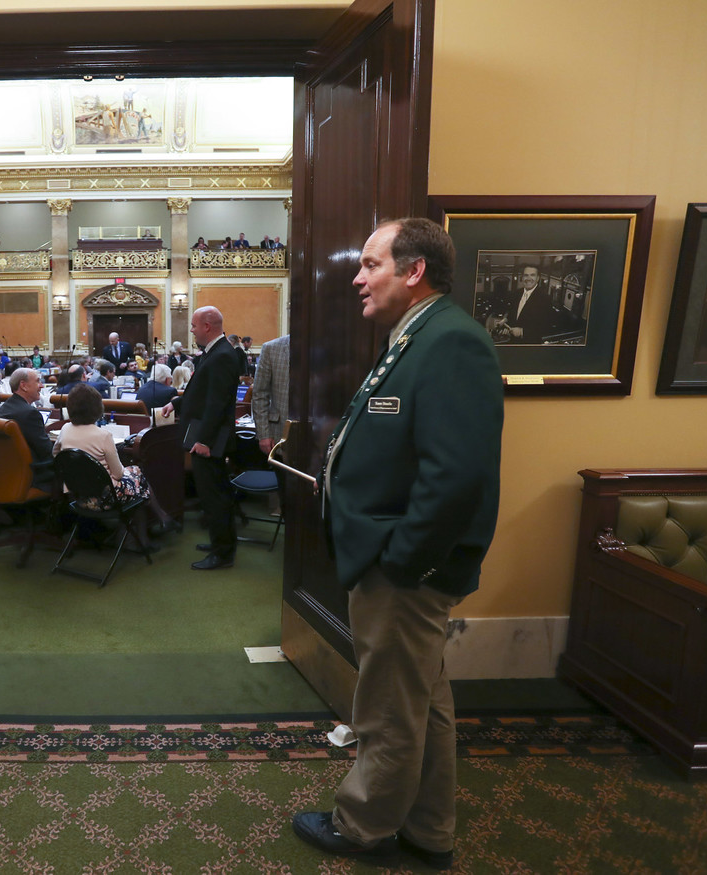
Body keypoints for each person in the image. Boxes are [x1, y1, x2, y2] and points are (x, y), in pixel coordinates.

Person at [292, 218, 503, 870]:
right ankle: (430, 827)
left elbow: (457, 474)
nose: (357, 277)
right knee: (424, 698)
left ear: (413, 271)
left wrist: (405, 559)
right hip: (394, 558)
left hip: (405, 568)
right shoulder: (415, 338)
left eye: (370, 264)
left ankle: (363, 824)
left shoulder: (450, 344)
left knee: (387, 706)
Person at [159, 305, 243, 570]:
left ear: (207, 326)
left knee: (215, 495)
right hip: (208, 435)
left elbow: (216, 404)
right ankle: (220, 541)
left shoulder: (221, 356)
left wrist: (204, 440)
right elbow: (200, 393)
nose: (192, 330)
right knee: (213, 494)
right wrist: (176, 403)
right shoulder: (214, 353)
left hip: (211, 439)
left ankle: (223, 553)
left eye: (194, 326)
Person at [54, 384, 177, 536]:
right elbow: (118, 475)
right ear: (97, 407)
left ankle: (140, 532)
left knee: (137, 483)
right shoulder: (103, 435)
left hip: (78, 497)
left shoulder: (65, 429)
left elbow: (57, 456)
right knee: (138, 476)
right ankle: (152, 524)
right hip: (104, 499)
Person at [0, 367, 58, 493]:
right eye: (37, 381)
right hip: (34, 476)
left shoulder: (6, 407)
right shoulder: (30, 413)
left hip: (8, 472)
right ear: (23, 386)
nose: (41, 386)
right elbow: (47, 451)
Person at [494, 263, 554, 345]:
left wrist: (522, 331)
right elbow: (513, 314)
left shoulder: (545, 298)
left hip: (530, 344)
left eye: (532, 275)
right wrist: (505, 321)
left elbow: (546, 326)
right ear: (522, 278)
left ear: (538, 278)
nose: (528, 278)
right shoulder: (517, 293)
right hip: (513, 342)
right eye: (526, 275)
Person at [251, 333, 289, 454]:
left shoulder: (329, 347)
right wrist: (263, 434)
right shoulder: (271, 348)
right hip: (279, 433)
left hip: (320, 436)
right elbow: (260, 394)